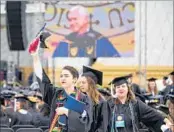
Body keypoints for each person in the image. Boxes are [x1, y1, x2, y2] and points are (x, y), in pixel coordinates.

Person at [29, 41, 92, 132]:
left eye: (66, 76)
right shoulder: (56, 94)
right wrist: (35, 55)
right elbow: (42, 79)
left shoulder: (84, 98)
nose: (63, 78)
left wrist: (67, 112)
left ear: (74, 79)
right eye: (61, 76)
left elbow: (87, 124)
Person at [95, 75, 172, 132]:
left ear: (128, 89)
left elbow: (151, 113)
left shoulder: (135, 103)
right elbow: (101, 124)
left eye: (123, 86)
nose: (121, 88)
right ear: (115, 90)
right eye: (118, 87)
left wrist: (165, 120)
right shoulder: (108, 104)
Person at [51, 5, 120, 57]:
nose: (71, 23)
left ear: (86, 19)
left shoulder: (100, 40)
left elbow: (116, 61)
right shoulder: (65, 42)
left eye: (75, 19)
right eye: (70, 20)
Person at [78, 66, 105, 132]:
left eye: (83, 83)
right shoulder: (82, 100)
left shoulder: (102, 102)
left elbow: (103, 126)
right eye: (80, 82)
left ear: (91, 84)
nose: (81, 85)